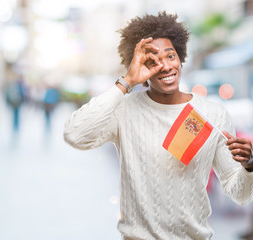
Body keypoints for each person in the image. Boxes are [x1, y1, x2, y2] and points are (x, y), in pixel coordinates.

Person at [63, 11, 253, 240]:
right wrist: (127, 82)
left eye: (170, 56)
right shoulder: (125, 111)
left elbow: (240, 194)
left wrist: (249, 167)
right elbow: (75, 134)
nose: (164, 66)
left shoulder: (213, 115)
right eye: (152, 61)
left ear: (180, 58)